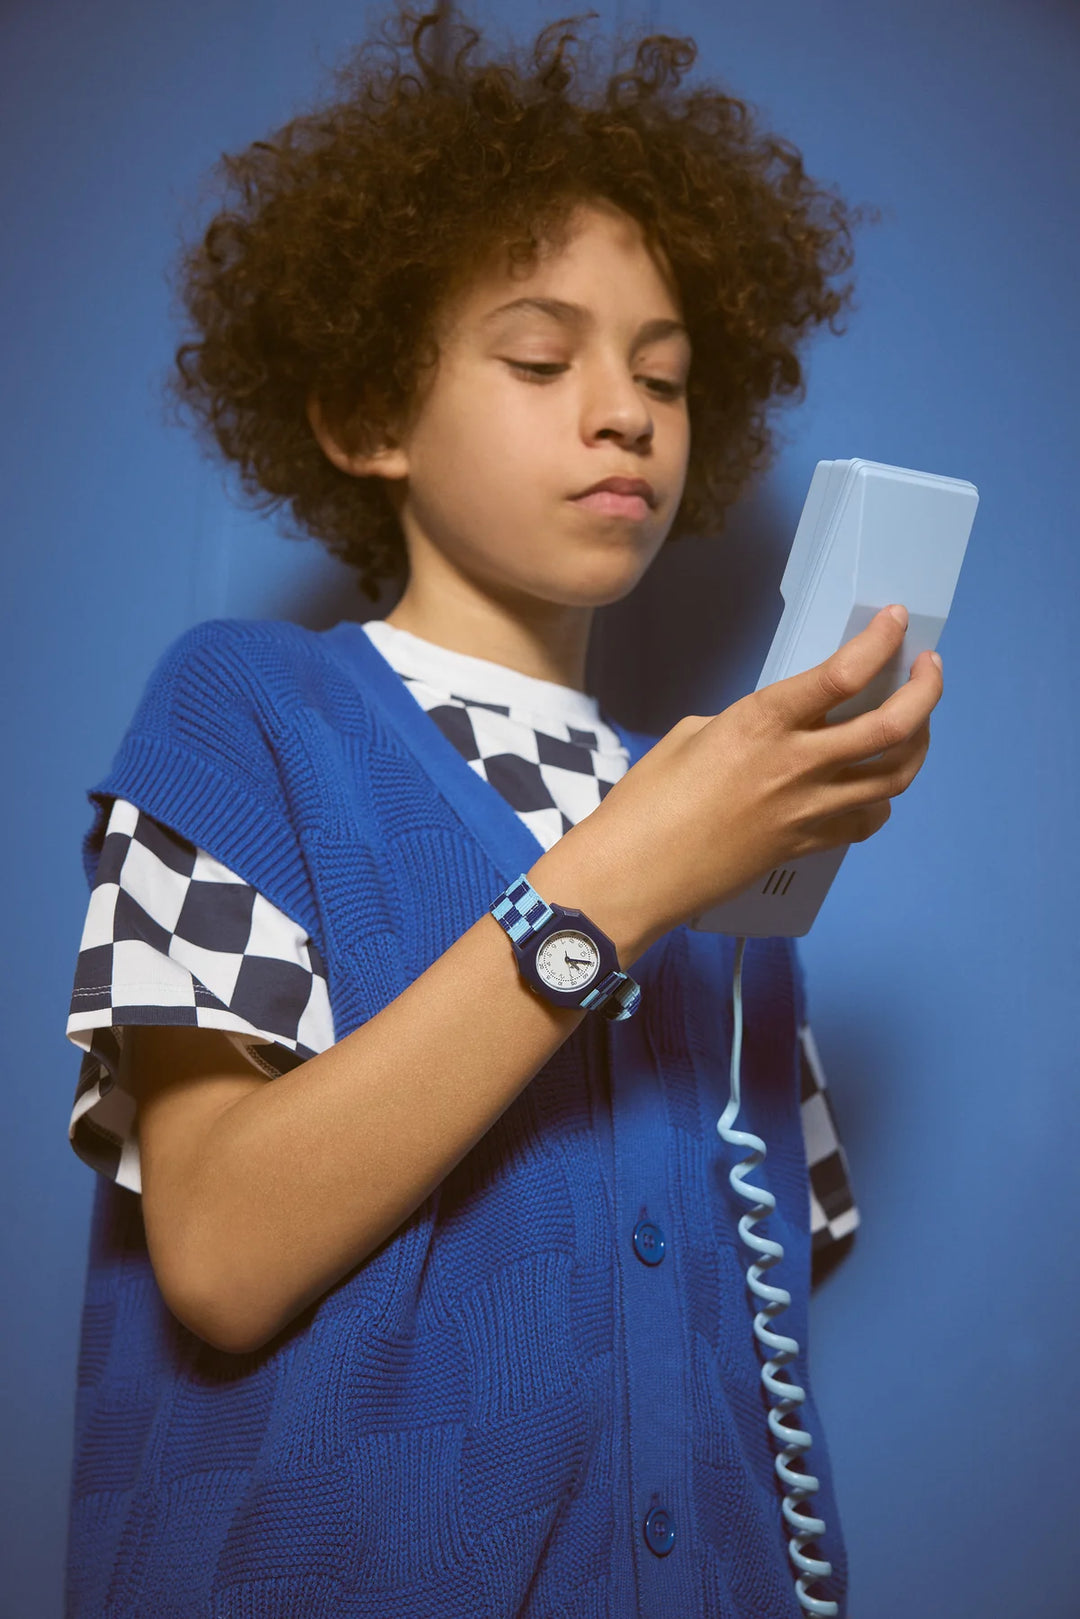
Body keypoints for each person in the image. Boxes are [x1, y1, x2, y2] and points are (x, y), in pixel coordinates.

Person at [62, 5, 941, 1614]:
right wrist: (623, 878)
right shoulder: (243, 714)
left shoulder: (722, 822)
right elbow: (223, 1258)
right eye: (542, 358)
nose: (625, 412)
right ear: (366, 420)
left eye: (664, 376)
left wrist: (714, 853)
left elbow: (731, 1289)